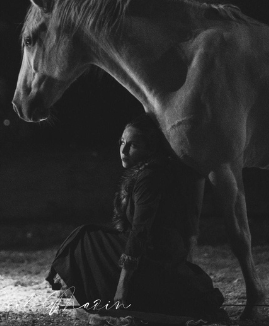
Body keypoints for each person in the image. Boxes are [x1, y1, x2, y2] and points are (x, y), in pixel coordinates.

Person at [46, 114, 227, 324]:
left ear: (149, 149)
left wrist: (123, 285)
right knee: (90, 236)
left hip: (153, 255)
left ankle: (112, 297)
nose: (123, 150)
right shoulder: (152, 171)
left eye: (132, 145)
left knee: (85, 237)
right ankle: (102, 297)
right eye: (122, 142)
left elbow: (140, 231)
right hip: (153, 251)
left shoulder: (149, 176)